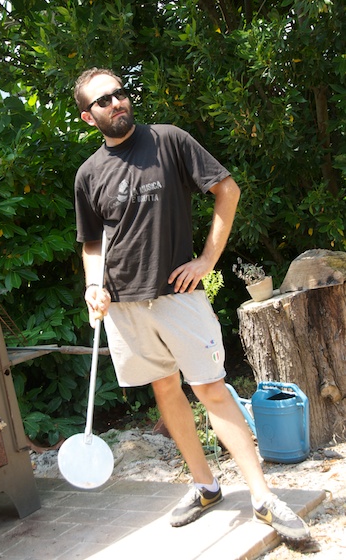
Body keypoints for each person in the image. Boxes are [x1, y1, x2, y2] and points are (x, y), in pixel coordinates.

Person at [72, 67, 310, 541]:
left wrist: (206, 260)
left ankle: (263, 498)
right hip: (122, 305)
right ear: (88, 116)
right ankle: (205, 486)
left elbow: (228, 191)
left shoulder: (169, 140)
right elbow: (93, 242)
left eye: (120, 93)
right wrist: (92, 285)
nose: (117, 102)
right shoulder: (88, 174)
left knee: (211, 389)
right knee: (165, 391)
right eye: (104, 100)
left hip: (178, 295)